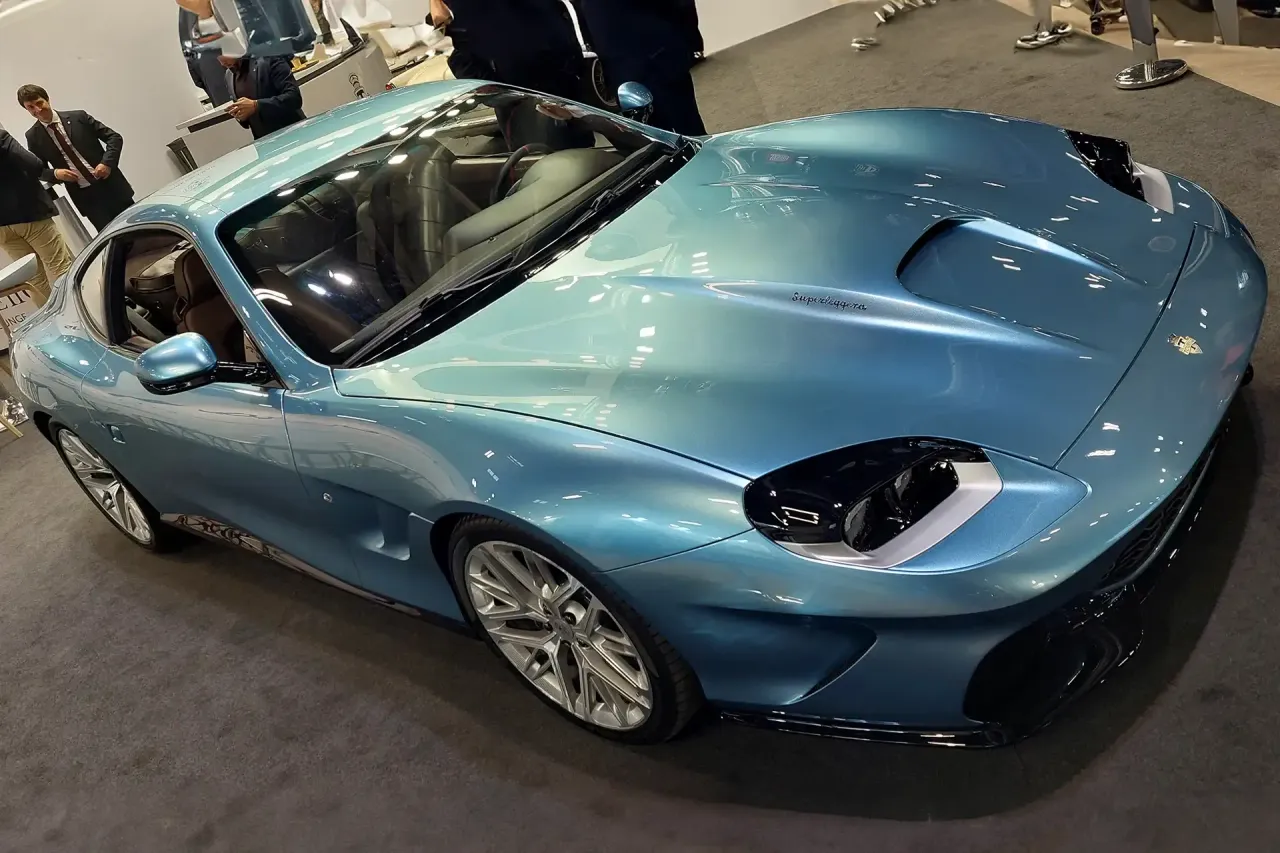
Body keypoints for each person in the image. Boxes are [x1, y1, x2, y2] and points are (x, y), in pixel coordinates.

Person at [578, 0, 706, 136]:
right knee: (675, 129)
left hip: (636, 66)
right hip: (650, 62)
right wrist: (692, 41)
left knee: (672, 129)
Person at [18, 85, 135, 233]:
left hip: (112, 185)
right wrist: (55, 174)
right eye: (30, 107)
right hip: (86, 198)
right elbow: (38, 170)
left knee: (140, 228)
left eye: (39, 103)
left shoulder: (78, 117)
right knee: (113, 239)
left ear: (47, 99)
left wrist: (107, 163)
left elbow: (114, 138)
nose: (38, 109)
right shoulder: (33, 136)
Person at [0, 129, 74, 306]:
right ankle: (81, 315)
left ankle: (53, 320)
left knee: (33, 280)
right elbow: (34, 164)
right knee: (61, 267)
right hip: (28, 214)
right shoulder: (1, 137)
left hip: (2, 229)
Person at [192, 53, 306, 139]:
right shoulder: (229, 76)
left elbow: (294, 98)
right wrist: (241, 116)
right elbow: (247, 120)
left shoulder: (269, 59)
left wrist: (257, 105)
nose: (222, 63)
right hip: (264, 143)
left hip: (294, 134)